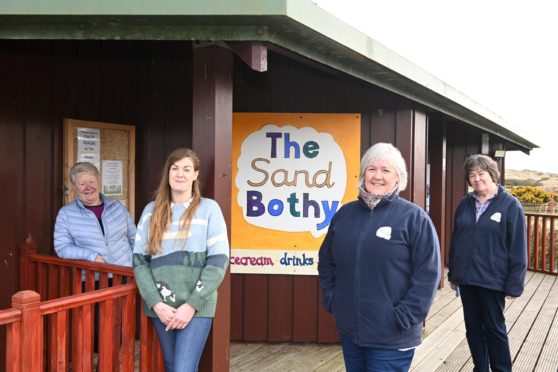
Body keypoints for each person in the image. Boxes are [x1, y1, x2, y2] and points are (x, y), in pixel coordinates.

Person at [318, 142, 440, 372]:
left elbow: (428, 275)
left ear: (398, 177)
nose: (377, 176)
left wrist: (404, 316)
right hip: (351, 332)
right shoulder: (345, 214)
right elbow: (326, 261)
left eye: (386, 170)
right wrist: (333, 299)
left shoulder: (414, 218)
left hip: (392, 335)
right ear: (363, 174)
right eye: (371, 169)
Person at [133, 148, 229, 372]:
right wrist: (156, 303)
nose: (180, 174)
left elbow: (218, 261)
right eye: (175, 168)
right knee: (172, 365)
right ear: (168, 173)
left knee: (183, 368)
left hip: (196, 306)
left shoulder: (209, 209)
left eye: (187, 169)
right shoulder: (151, 211)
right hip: (161, 307)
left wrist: (191, 305)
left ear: (195, 174)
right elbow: (139, 262)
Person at [448, 154, 527, 372]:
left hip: (493, 280)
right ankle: (480, 368)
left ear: (492, 174)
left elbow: (518, 247)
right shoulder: (465, 204)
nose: (476, 178)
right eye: (472, 175)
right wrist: (453, 274)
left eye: (481, 173)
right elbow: (456, 240)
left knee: (494, 328)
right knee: (473, 328)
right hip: (466, 279)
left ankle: (502, 369)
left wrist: (515, 283)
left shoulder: (510, 205)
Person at [54, 161, 135, 266]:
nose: (88, 187)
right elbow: (62, 247)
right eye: (82, 184)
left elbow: (134, 238)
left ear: (98, 182)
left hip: (124, 272)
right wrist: (91, 256)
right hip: (93, 276)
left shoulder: (117, 207)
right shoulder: (66, 214)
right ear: (74, 188)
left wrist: (139, 266)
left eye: (92, 182)